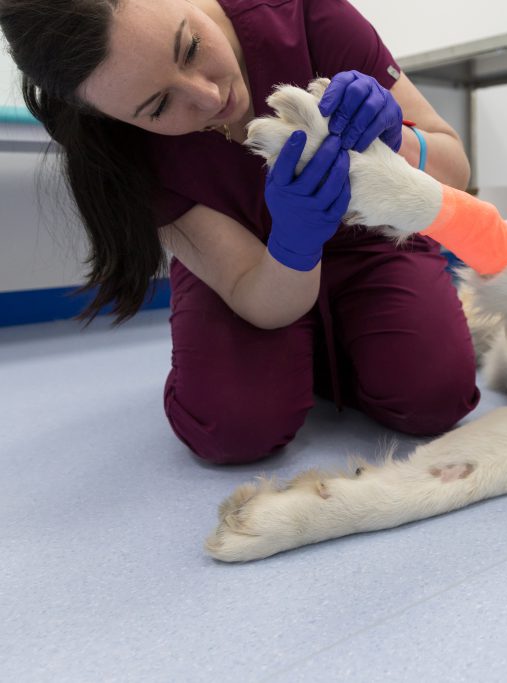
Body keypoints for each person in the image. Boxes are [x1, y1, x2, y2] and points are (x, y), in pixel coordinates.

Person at [0, 0, 481, 464]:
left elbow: (453, 170)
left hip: (370, 235)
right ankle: (309, 352)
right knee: (232, 427)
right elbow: (253, 291)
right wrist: (295, 241)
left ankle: (331, 346)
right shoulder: (118, 150)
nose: (209, 97)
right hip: (250, 268)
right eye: (160, 105)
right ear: (113, 119)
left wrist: (397, 139)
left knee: (435, 396)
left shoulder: (307, 15)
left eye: (189, 48)